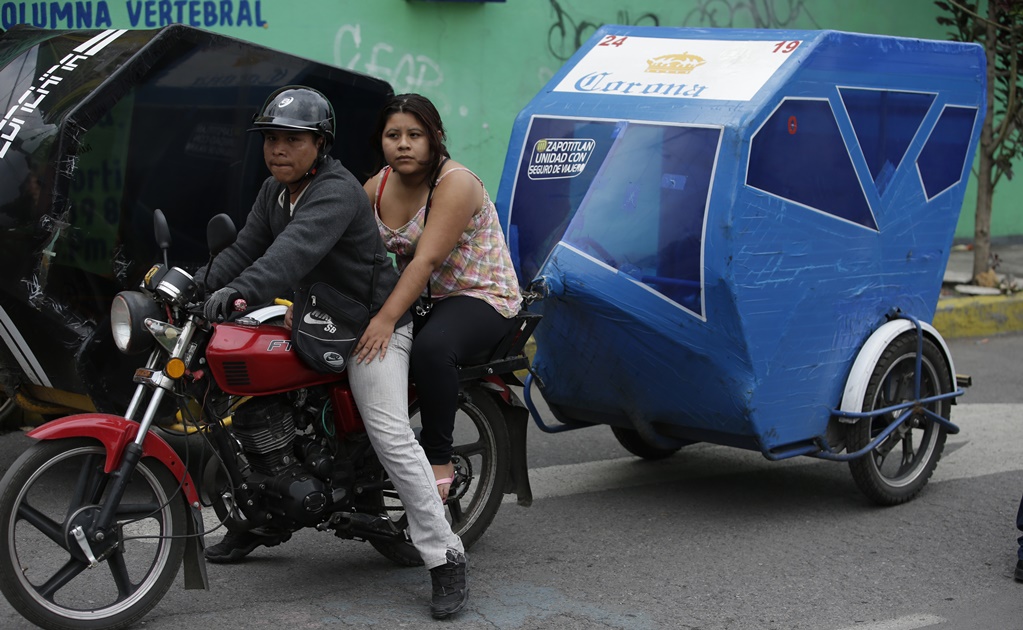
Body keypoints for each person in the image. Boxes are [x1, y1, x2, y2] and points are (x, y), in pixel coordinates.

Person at [196, 85, 468, 619]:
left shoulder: (336, 192)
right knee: (244, 400)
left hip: (371, 325)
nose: (278, 150)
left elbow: (287, 256)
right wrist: (193, 284)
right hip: (318, 318)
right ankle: (260, 516)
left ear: (319, 145)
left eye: (292, 140)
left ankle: (445, 556)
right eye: (271, 139)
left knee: (390, 432)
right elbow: (246, 248)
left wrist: (239, 293)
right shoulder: (275, 192)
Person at [355, 94, 522, 503]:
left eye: (415, 134)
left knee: (432, 349)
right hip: (425, 298)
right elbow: (345, 251)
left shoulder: (456, 183)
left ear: (436, 138)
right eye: (393, 135)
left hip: (481, 295)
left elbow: (425, 260)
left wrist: (384, 319)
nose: (404, 144)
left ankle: (438, 459)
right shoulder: (376, 188)